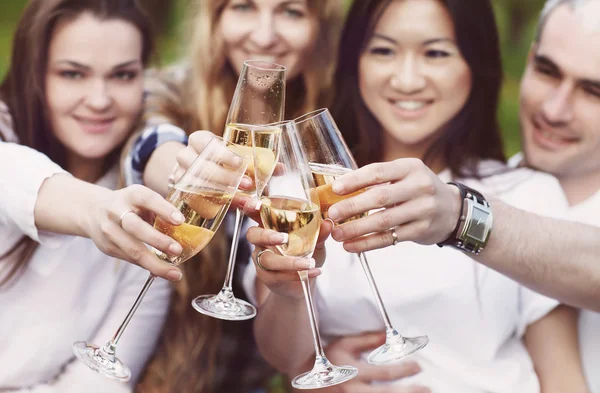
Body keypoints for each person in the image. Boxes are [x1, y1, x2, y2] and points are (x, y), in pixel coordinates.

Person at [243, 0, 590, 392]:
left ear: (475, 64)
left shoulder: (524, 195)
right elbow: (286, 362)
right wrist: (289, 296)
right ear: (354, 60)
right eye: (384, 50)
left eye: (436, 53)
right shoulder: (299, 194)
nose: (406, 80)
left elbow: (562, 376)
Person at [127, 1, 348, 393]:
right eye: (244, 6)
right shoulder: (167, 89)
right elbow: (152, 144)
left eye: (291, 12)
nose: (264, 35)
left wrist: (328, 353)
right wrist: (185, 170)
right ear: (214, 19)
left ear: (320, 27)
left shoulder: (334, 121)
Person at [0, 0, 175, 390]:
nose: (99, 99)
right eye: (73, 74)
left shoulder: (145, 213)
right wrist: (98, 209)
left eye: (123, 75)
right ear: (34, 75)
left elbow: (101, 383)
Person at [509, 0, 600, 391]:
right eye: (547, 71)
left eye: (593, 92)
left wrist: (462, 220)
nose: (554, 109)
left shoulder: (454, 209)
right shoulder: (467, 185)